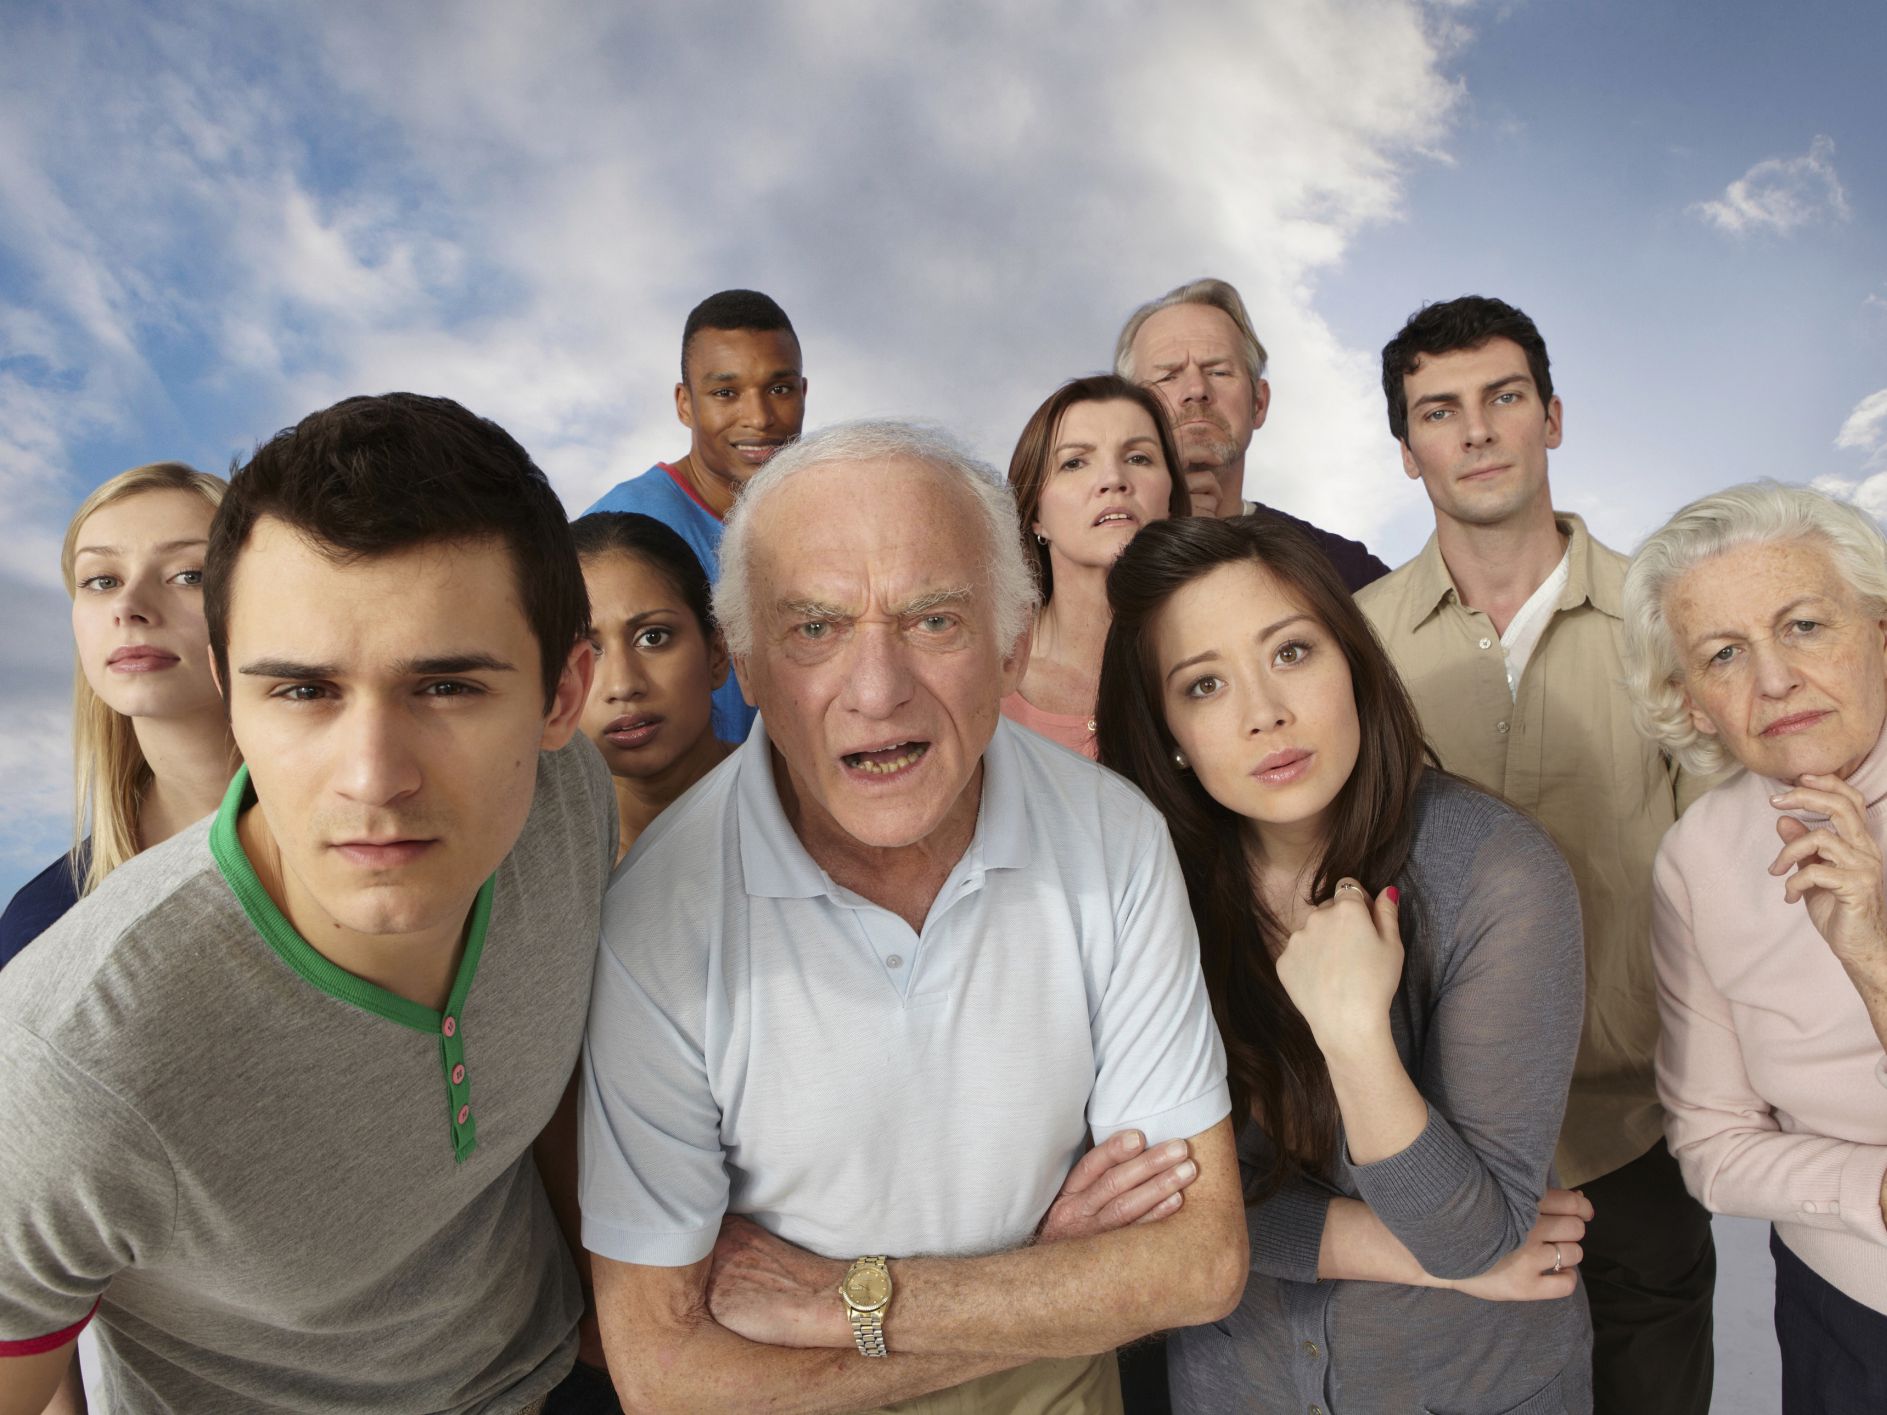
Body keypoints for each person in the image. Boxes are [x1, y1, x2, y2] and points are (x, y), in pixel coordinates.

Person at [578, 420, 1246, 1414]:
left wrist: (849, 1297)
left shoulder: (1115, 840)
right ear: (749, 665)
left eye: (934, 619)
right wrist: (1038, 1281)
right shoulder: (655, 918)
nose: (879, 690)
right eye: (814, 627)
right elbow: (664, 1374)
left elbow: (1198, 1261)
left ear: (1014, 645)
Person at [0, 393, 618, 1414]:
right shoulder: (71, 1060)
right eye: (301, 691)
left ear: (561, 696)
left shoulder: (563, 802)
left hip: (561, 1372)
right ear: (228, 690)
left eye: (447, 687)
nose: (373, 778)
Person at [1098, 514, 1594, 1414]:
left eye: (1290, 652)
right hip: (1232, 1382)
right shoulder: (1136, 888)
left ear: (1355, 662)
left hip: (1469, 1385)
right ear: (1167, 729)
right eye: (1204, 684)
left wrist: (1353, 1032)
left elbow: (1468, 1234)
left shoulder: (1498, 872)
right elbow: (1153, 1208)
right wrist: (1412, 1249)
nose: (1264, 714)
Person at [1358, 295, 1717, 1414]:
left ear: (1551, 417)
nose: (1475, 431)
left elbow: (1725, 872)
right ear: (1407, 446)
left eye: (1504, 398)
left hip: (1633, 1135)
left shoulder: (1670, 624)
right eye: (1440, 410)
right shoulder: (1350, 646)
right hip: (1429, 1155)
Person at [1620, 481, 1887, 1414]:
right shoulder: (1696, 857)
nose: (1771, 680)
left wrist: (1873, 956)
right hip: (1842, 1306)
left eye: (1805, 625)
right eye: (1723, 654)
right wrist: (1875, 1191)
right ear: (1690, 703)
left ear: (1882, 630)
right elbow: (1711, 1144)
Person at [0, 463, 236, 970]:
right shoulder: (42, 924)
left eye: (188, 575)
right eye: (101, 580)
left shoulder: (384, 844)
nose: (129, 605)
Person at [585, 288, 808, 745]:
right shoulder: (621, 533)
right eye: (726, 393)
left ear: (803, 393)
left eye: (779, 389)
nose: (759, 417)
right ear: (685, 404)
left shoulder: (824, 521)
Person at [1114, 277, 1387, 591]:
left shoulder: (1348, 572)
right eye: (1167, 377)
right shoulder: (1088, 558)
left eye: (1218, 371)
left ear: (1259, 403)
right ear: (1126, 412)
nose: (1196, 390)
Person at [1001, 373, 1189, 758]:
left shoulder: (1213, 658)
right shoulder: (982, 674)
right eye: (1074, 463)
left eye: (1139, 458)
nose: (1113, 480)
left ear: (1171, 498)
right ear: (1036, 513)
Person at [571, 512, 731, 862]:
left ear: (718, 653)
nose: (623, 685)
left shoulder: (811, 809)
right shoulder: (539, 862)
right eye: (585, 652)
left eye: (653, 637)